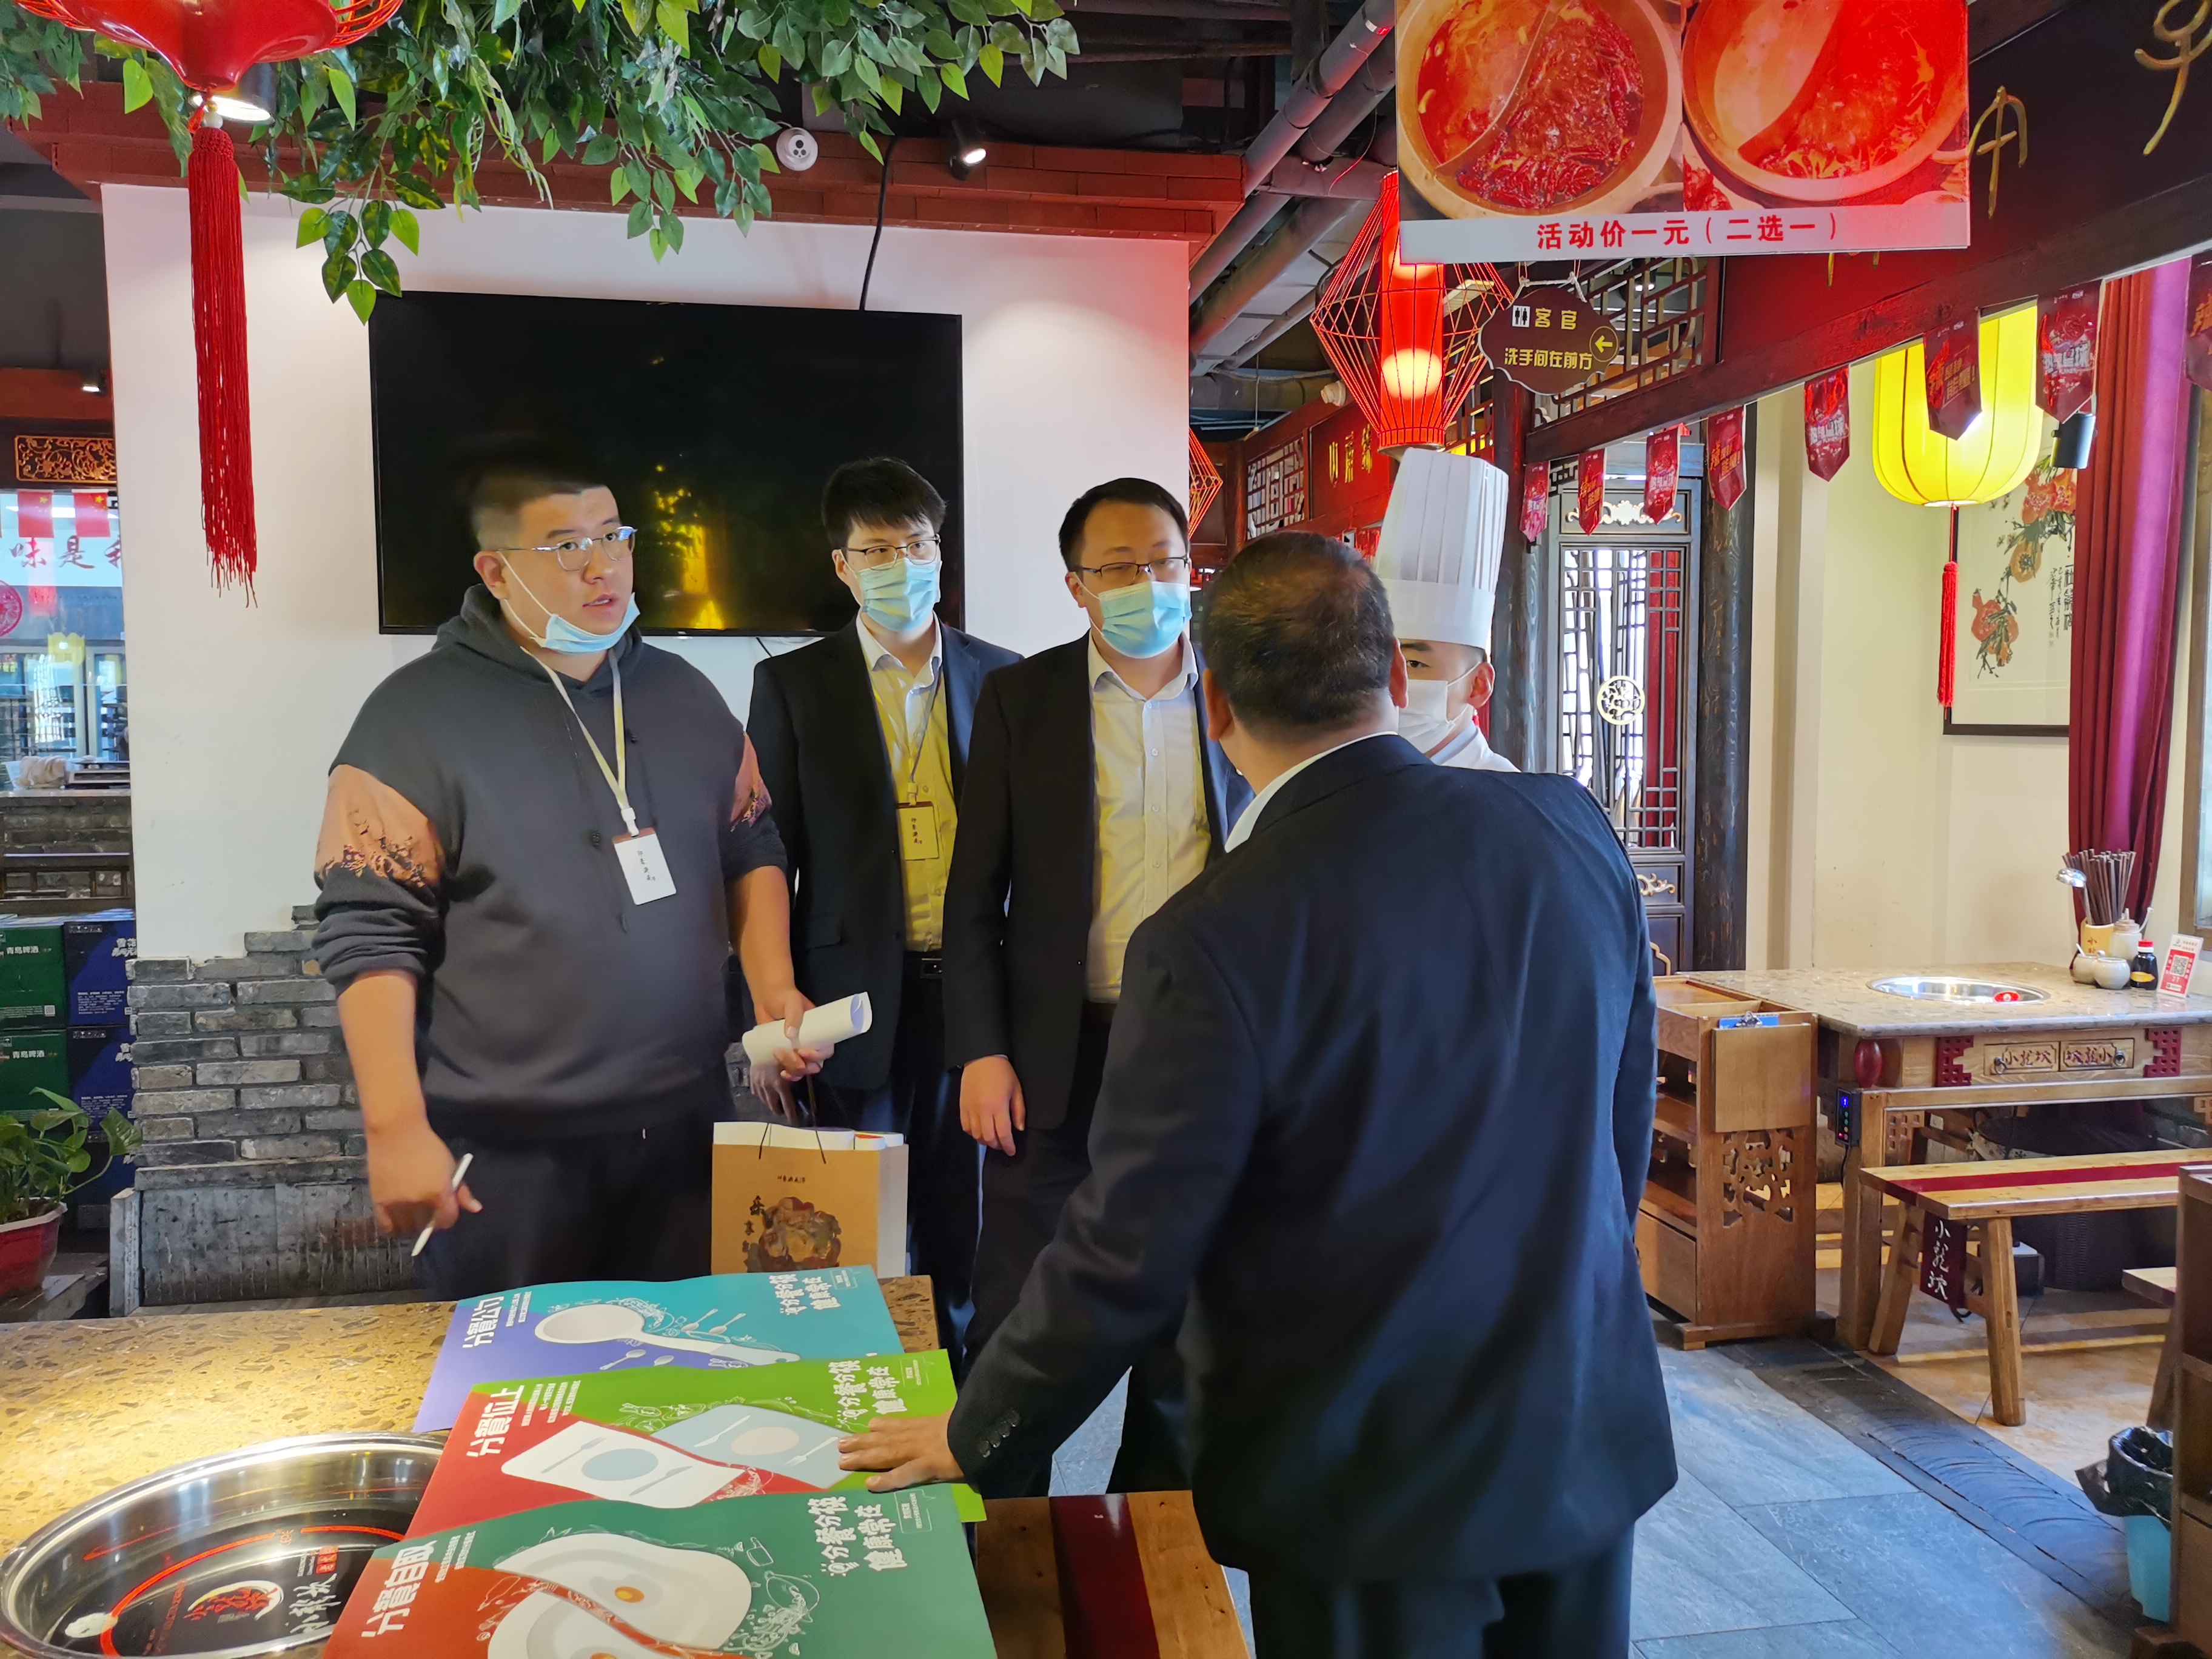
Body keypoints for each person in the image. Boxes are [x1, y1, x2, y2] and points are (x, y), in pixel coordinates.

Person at [844, 533, 1674, 1659]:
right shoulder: (1565, 826)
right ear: (1393, 680)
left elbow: (1125, 1250)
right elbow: (1621, 1119)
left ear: (1218, 705)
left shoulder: (1212, 934)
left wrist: (974, 1428)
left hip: (1367, 1465)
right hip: (1576, 1410)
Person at [313, 450, 809, 1298]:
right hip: (507, 1154)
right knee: (516, 1375)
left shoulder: (686, 695)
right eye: (566, 546)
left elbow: (749, 842)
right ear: (496, 571)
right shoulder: (412, 719)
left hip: (687, 1127)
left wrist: (772, 988)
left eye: (614, 536)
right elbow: (370, 929)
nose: (601, 566)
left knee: (691, 1366)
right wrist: (393, 1128)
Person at [942, 475, 1252, 1492]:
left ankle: (1148, 1537)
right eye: (1118, 567)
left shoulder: (1239, 696)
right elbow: (973, 894)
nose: (1145, 583)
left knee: (1186, 1317)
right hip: (1057, 1048)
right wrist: (981, 1050)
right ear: (1076, 585)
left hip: (1202, 1048)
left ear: (1191, 570)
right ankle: (999, 1523)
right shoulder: (1022, 699)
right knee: (1016, 1306)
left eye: (1163, 561)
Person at [748, 457, 1019, 1359]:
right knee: (850, 1233)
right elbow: (765, 858)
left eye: (917, 544)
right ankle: (860, 1403)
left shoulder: (1004, 678)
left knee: (965, 1230)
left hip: (974, 997)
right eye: (877, 550)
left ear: (940, 553)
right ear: (843, 566)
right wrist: (766, 1015)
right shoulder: (794, 685)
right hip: (849, 1002)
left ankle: (960, 1409)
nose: (902, 564)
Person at [1375, 446, 1518, 771]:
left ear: (1478, 684)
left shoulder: (1509, 795)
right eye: (1376, 661)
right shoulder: (1354, 784)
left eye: (1414, 663)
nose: (1389, 682)